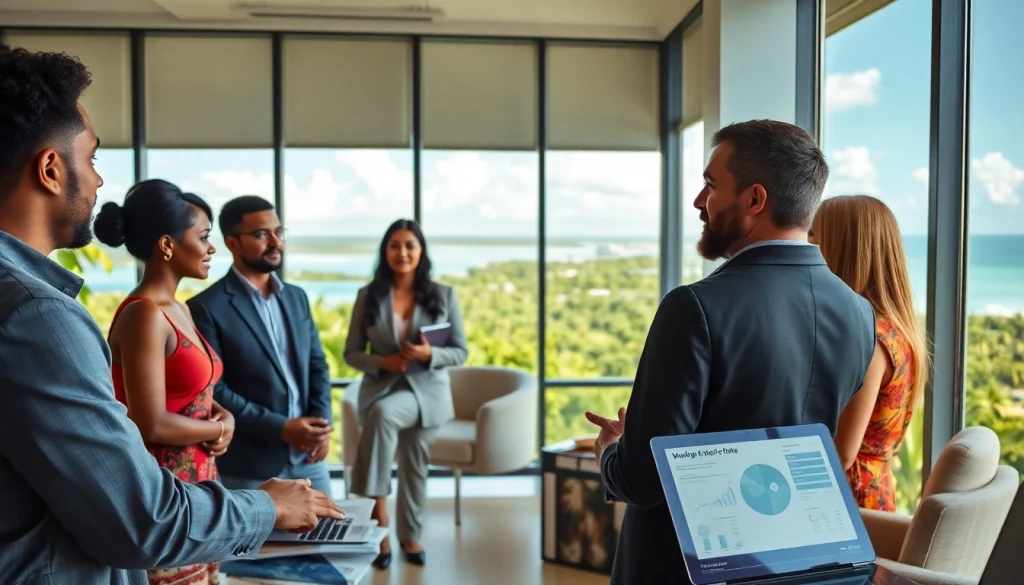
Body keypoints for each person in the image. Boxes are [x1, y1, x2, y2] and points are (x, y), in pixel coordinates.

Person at [0, 44, 341, 585]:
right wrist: (264, 506)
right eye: (90, 159)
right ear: (49, 168)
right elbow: (142, 519)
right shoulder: (39, 316)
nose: (98, 182)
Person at [584, 120, 876, 585]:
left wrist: (611, 450)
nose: (699, 202)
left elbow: (642, 480)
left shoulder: (694, 307)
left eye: (709, 185)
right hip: (798, 567)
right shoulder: (860, 314)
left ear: (755, 200)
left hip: (683, 568)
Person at [94, 180, 233, 584]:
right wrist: (222, 427)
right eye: (204, 237)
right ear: (167, 244)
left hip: (203, 488)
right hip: (165, 497)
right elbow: (149, 421)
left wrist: (222, 414)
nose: (212, 248)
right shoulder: (144, 314)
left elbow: (194, 391)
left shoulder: (178, 308)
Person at [187, 196, 333, 494]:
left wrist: (321, 426)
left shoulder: (297, 297)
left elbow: (317, 365)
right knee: (257, 543)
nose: (275, 242)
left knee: (329, 537)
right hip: (252, 465)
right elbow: (217, 388)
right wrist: (283, 428)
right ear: (232, 243)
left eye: (279, 232)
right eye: (261, 234)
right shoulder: (206, 307)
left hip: (309, 456)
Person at [344, 219, 468, 569]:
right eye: (394, 245)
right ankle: (381, 526)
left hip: (427, 394)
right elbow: (351, 353)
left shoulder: (443, 295)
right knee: (399, 441)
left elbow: (459, 351)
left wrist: (430, 355)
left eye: (410, 245)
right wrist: (385, 361)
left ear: (421, 250)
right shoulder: (367, 296)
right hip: (382, 387)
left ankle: (403, 533)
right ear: (385, 251)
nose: (402, 253)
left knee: (407, 450)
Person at [809, 194, 929, 512]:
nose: (805, 247)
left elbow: (842, 453)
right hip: (876, 492)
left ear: (840, 250)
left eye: (813, 237)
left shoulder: (871, 340)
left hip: (849, 500)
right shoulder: (895, 331)